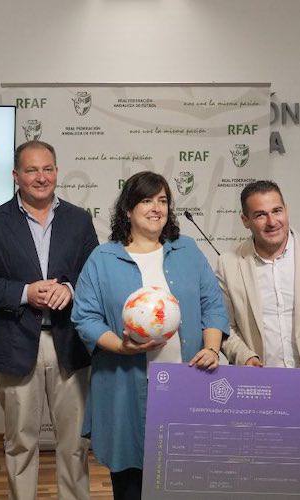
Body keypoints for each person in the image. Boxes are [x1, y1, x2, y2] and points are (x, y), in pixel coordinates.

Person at [71, 171, 228, 500]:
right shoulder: (103, 259)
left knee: (186, 481)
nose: (157, 208)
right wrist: (121, 347)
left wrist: (212, 349)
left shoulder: (186, 250)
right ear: (127, 209)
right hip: (124, 386)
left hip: (188, 384)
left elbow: (212, 304)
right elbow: (84, 317)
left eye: (163, 201)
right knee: (130, 483)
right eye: (146, 200)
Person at [0, 140, 99, 499]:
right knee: (21, 443)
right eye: (32, 170)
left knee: (74, 444)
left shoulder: (79, 220)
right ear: (16, 176)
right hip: (16, 344)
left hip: (69, 344)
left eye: (48, 168)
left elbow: (94, 276)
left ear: (56, 170)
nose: (42, 177)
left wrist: (69, 288)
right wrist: (25, 292)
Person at [217, 180, 300, 405]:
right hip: (257, 387)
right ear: (245, 220)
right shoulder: (228, 264)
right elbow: (224, 326)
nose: (272, 222)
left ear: (286, 210)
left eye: (277, 211)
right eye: (260, 215)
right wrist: (244, 357)